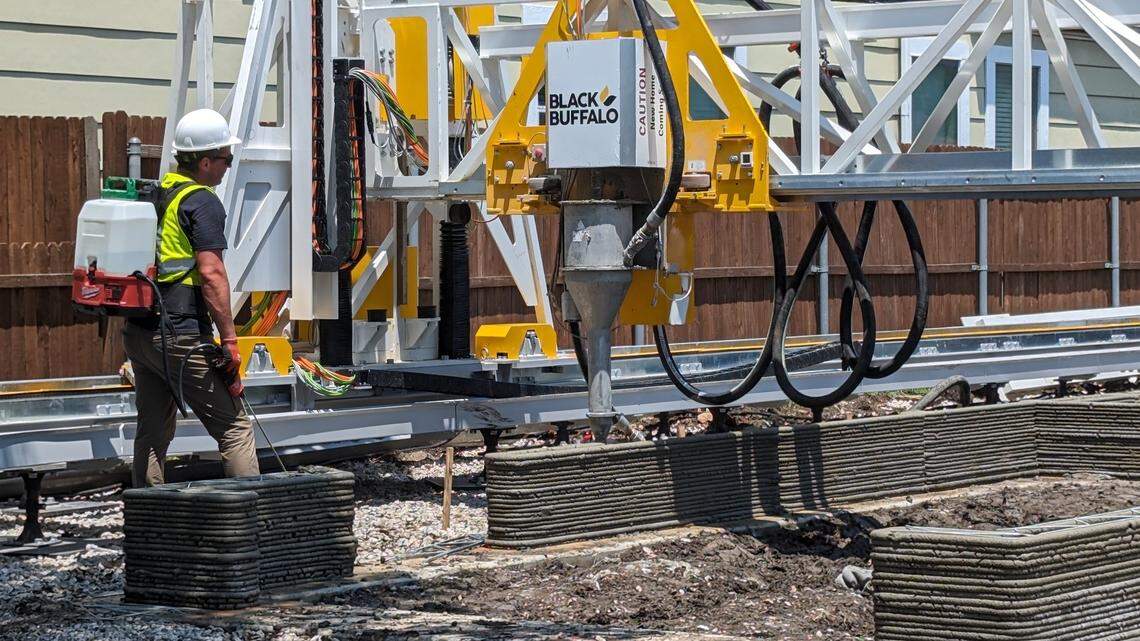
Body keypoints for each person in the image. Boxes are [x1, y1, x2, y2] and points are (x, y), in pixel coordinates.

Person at [123, 108, 260, 487]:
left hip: (140, 334)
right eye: (225, 159)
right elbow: (212, 274)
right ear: (203, 161)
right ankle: (244, 525)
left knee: (152, 433)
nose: (228, 166)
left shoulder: (159, 193)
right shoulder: (202, 202)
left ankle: (149, 524)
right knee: (234, 428)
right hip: (181, 335)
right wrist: (230, 341)